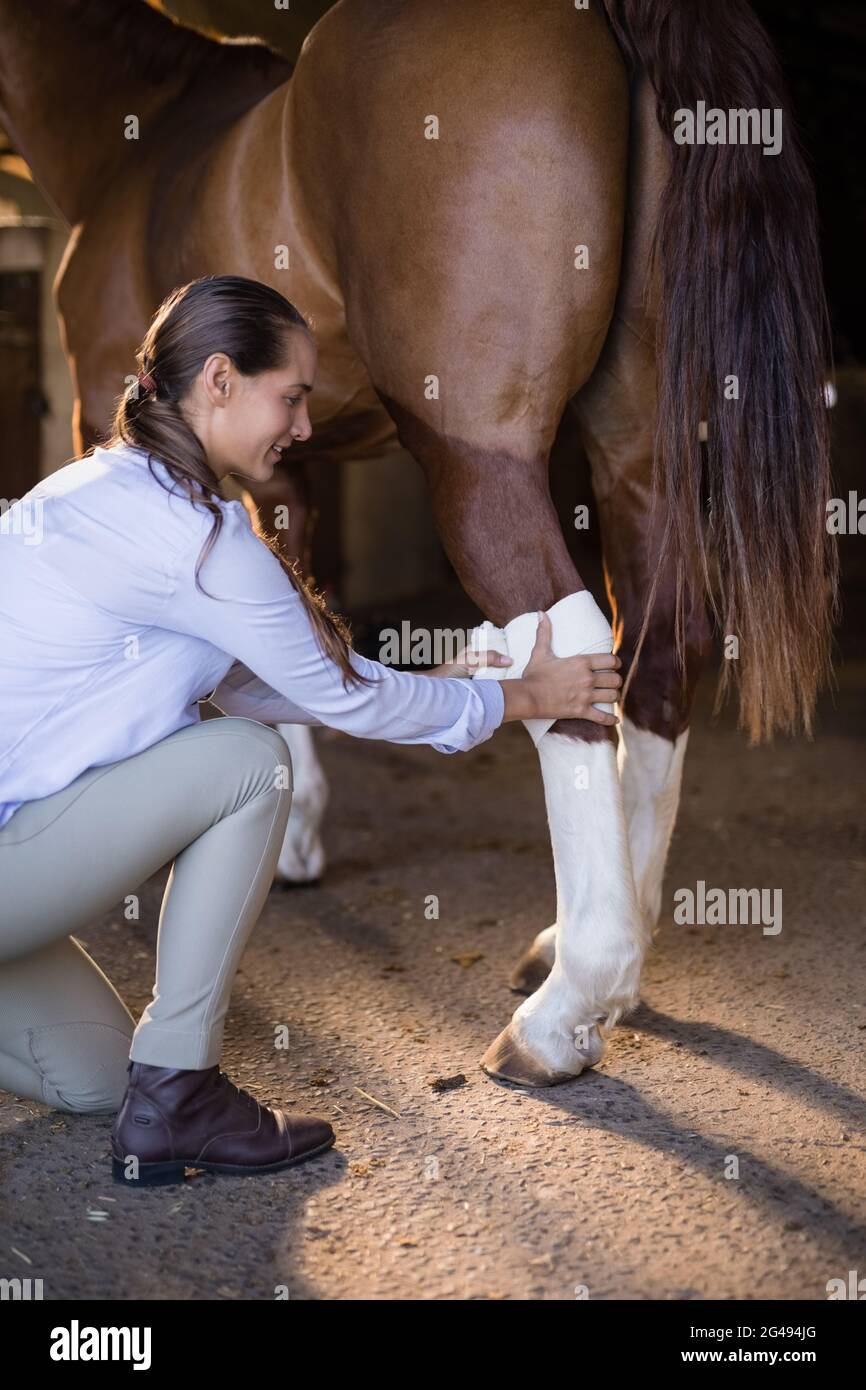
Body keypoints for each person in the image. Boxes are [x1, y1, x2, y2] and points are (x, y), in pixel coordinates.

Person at [0, 275, 622, 1186]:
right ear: (220, 380)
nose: (302, 427)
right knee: (251, 765)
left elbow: (259, 682)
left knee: (95, 1080)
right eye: (290, 397)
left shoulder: (107, 487)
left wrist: (439, 683)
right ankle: (181, 1091)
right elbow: (339, 700)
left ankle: (154, 1090)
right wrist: (525, 697)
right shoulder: (194, 538)